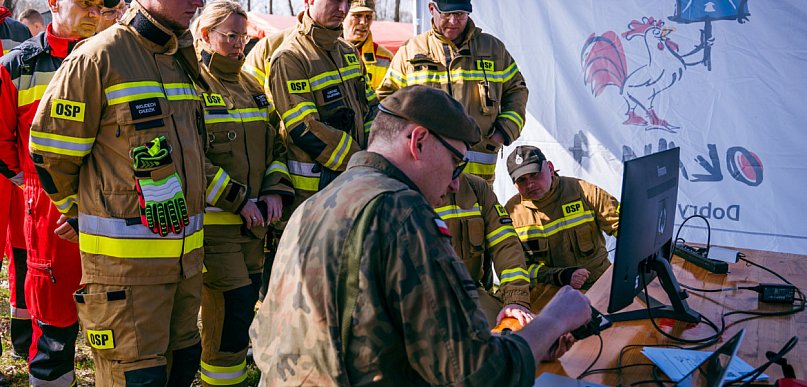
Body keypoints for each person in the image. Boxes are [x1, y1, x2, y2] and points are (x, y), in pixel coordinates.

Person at [250, 85, 592, 385]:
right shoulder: (401, 211)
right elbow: (476, 373)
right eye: (456, 163)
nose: (457, 182)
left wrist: (531, 343)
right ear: (419, 141)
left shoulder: (314, 206)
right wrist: (554, 319)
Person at [29, 0, 207, 385]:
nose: (198, 2)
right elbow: (49, 151)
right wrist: (77, 210)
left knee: (183, 367)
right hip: (126, 279)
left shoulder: (182, 58)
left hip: (186, 269)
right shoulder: (97, 58)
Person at [0, 0, 117, 384]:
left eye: (102, 5)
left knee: (120, 327)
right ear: (52, 3)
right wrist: (38, 192)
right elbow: (3, 144)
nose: (94, 12)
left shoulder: (122, 58)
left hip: (113, 212)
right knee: (53, 330)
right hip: (50, 221)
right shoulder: (18, 66)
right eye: (84, 3)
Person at [192, 2, 293, 385]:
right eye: (229, 36)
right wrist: (239, 199)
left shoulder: (253, 87)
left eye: (242, 36)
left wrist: (274, 192)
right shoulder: (193, 86)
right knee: (228, 311)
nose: (238, 45)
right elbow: (192, 160)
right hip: (216, 228)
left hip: (256, 227)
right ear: (205, 35)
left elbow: (276, 148)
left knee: (242, 311)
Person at [377, 0, 528, 183]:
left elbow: (517, 90)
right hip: (425, 173)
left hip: (478, 177)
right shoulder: (409, 52)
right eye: (447, 14)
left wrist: (503, 131)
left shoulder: (493, 49)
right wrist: (406, 141)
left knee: (477, 212)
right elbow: (386, 101)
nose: (454, 21)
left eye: (460, 15)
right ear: (432, 9)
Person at [269, 0, 378, 214]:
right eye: (335, 1)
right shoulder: (290, 57)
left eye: (347, 2)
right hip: (313, 196)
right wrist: (359, 160)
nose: (343, 9)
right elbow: (305, 128)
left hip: (358, 182)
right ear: (308, 1)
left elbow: (371, 108)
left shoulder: (349, 51)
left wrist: (375, 152)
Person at [505, 145, 620, 290]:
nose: (530, 184)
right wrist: (559, 276)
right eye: (521, 180)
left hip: (599, 285)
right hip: (548, 293)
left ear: (550, 168)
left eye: (534, 174)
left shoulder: (583, 192)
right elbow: (515, 268)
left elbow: (626, 228)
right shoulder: (510, 214)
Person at [436, 173, 534, 327]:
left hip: (470, 292)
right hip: (425, 299)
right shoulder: (401, 192)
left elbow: (505, 244)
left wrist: (516, 300)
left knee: (512, 330)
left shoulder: (477, 188)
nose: (455, 185)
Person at [342, 0, 393, 90]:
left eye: (368, 16)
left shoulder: (386, 58)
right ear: (342, 16)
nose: (364, 22)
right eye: (357, 15)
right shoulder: (324, 52)